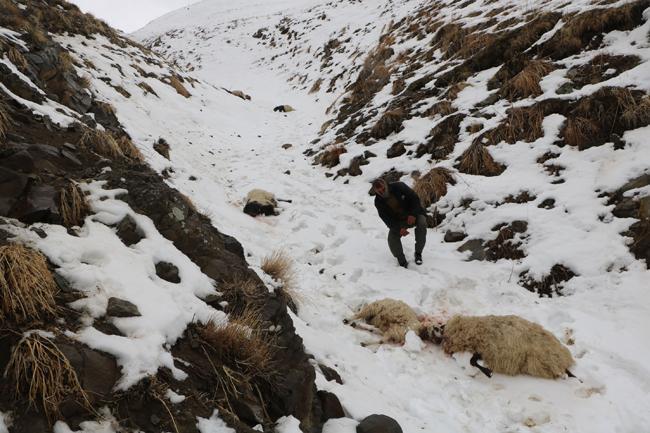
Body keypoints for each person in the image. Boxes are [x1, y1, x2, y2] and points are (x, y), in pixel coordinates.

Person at [372, 178, 427, 268]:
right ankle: (402, 261)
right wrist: (398, 229)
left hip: (413, 214)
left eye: (383, 188)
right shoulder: (378, 202)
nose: (382, 191)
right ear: (375, 191)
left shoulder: (399, 186)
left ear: (385, 184)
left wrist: (413, 214)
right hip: (399, 221)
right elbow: (386, 219)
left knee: (422, 222)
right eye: (379, 191)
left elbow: (414, 198)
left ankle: (418, 254)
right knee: (392, 239)